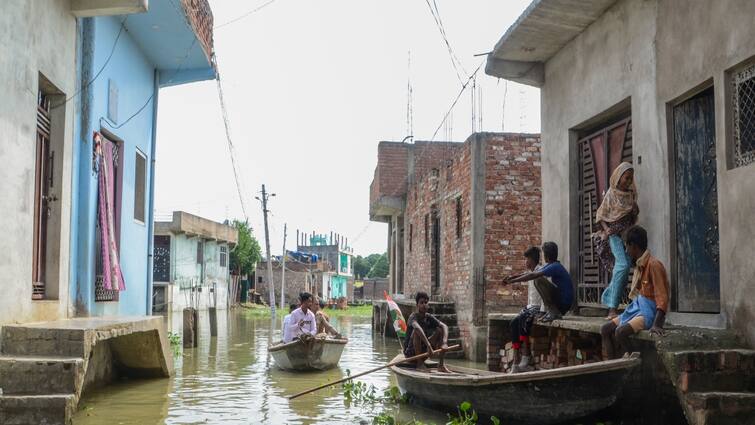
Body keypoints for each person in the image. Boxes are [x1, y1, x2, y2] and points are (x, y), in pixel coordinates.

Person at [601, 225, 669, 359]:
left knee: (620, 332)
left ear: (634, 246)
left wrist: (657, 324)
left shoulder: (654, 265)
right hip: (638, 308)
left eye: (627, 247)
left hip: (648, 312)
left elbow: (663, 297)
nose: (626, 251)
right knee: (605, 329)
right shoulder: (639, 265)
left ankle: (639, 361)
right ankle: (612, 365)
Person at [595, 162, 639, 320]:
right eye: (626, 178)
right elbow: (601, 214)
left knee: (623, 269)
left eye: (631, 178)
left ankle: (608, 297)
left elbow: (633, 217)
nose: (628, 181)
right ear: (619, 177)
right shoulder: (611, 194)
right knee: (623, 265)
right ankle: (612, 309)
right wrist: (606, 229)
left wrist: (634, 210)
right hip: (614, 235)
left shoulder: (631, 194)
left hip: (628, 236)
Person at [503, 242, 573, 322]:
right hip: (562, 302)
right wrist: (512, 278)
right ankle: (551, 311)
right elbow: (528, 274)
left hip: (564, 304)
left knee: (538, 279)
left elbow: (532, 275)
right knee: (537, 277)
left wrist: (512, 281)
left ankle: (553, 312)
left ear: (546, 255)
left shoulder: (555, 266)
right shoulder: (552, 265)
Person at [502, 246, 543, 373]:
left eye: (526, 259)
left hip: (539, 308)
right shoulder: (530, 271)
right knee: (514, 322)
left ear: (532, 260)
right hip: (530, 307)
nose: (525, 262)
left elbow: (526, 276)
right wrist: (511, 278)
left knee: (523, 320)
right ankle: (515, 360)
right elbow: (523, 274)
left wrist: (511, 282)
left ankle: (525, 357)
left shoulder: (539, 271)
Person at [403, 291, 451, 373]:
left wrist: (444, 342)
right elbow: (417, 328)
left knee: (440, 330)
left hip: (423, 352)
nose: (424, 305)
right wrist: (428, 345)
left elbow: (444, 326)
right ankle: (419, 364)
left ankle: (441, 365)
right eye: (421, 303)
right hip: (411, 354)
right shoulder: (413, 317)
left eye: (426, 302)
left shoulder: (428, 317)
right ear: (417, 305)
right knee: (416, 331)